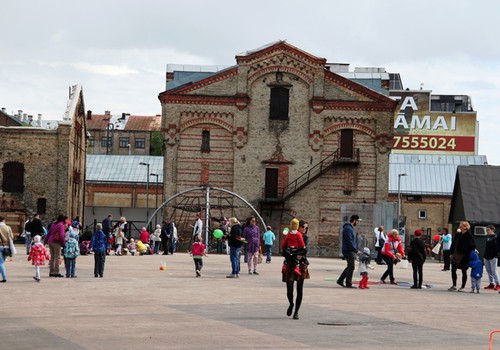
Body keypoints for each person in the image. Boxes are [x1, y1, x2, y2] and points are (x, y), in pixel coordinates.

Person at [281, 218, 310, 320]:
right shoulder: (290, 236)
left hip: (301, 265)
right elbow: (283, 251)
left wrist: (298, 255)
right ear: (298, 227)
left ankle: (296, 311)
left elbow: (305, 251)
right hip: (290, 264)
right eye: (303, 227)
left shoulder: (305, 238)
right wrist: (293, 255)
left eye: (306, 228)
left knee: (299, 289)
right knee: (289, 289)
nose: (304, 229)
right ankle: (291, 304)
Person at [448, 221, 476, 292]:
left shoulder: (469, 236)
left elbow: (472, 246)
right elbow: (453, 244)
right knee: (453, 270)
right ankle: (454, 285)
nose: (460, 226)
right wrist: (451, 253)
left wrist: (467, 252)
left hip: (464, 256)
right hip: (456, 254)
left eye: (461, 225)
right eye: (460, 225)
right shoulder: (458, 235)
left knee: (464, 271)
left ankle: (463, 286)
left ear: (465, 227)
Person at [338, 215, 361, 288]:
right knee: (351, 266)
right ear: (354, 220)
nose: (358, 223)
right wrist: (355, 250)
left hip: (349, 250)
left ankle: (340, 280)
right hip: (348, 250)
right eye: (357, 221)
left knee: (350, 266)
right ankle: (348, 283)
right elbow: (349, 241)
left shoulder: (349, 228)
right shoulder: (348, 229)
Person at [44, 214, 67, 278]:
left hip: (50, 241)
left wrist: (45, 241)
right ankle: (56, 272)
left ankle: (51, 271)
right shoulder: (61, 225)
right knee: (57, 257)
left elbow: (49, 233)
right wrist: (63, 244)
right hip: (56, 242)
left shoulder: (54, 224)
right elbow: (62, 236)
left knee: (52, 257)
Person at [483, 225, 499, 290]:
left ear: (492, 230)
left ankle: (498, 284)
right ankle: (491, 283)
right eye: (486, 230)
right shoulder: (488, 238)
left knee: (494, 270)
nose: (487, 231)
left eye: (488, 230)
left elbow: (497, 247)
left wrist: (496, 255)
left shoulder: (495, 238)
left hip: (493, 256)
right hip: (487, 256)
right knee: (488, 270)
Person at [0, 216, 14, 282]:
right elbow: (12, 237)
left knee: (1, 263)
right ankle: (3, 276)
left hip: (0, 245)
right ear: (4, 220)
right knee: (2, 262)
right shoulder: (8, 227)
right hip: (7, 247)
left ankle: (4, 278)